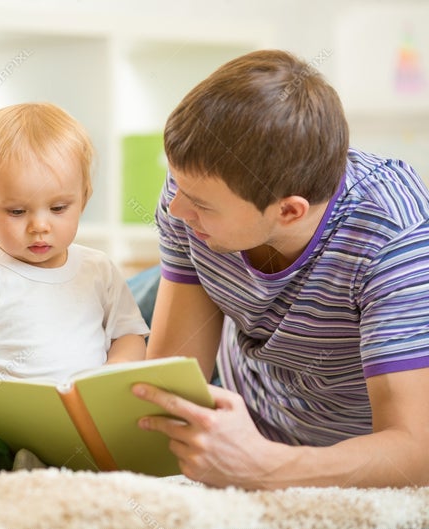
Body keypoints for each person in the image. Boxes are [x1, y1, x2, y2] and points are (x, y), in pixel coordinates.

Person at [135, 49, 429, 489]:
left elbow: (415, 452)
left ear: (290, 211)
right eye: (178, 185)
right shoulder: (195, 183)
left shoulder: (395, 235)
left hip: (332, 438)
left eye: (199, 204)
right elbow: (170, 378)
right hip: (242, 385)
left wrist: (262, 466)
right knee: (97, 307)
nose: (176, 209)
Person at [0, 102, 150, 482]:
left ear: (84, 197)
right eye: (17, 212)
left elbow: (129, 335)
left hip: (77, 418)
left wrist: (112, 375)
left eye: (58, 208)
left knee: (117, 444)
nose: (39, 226)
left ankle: (38, 465)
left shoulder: (99, 270)